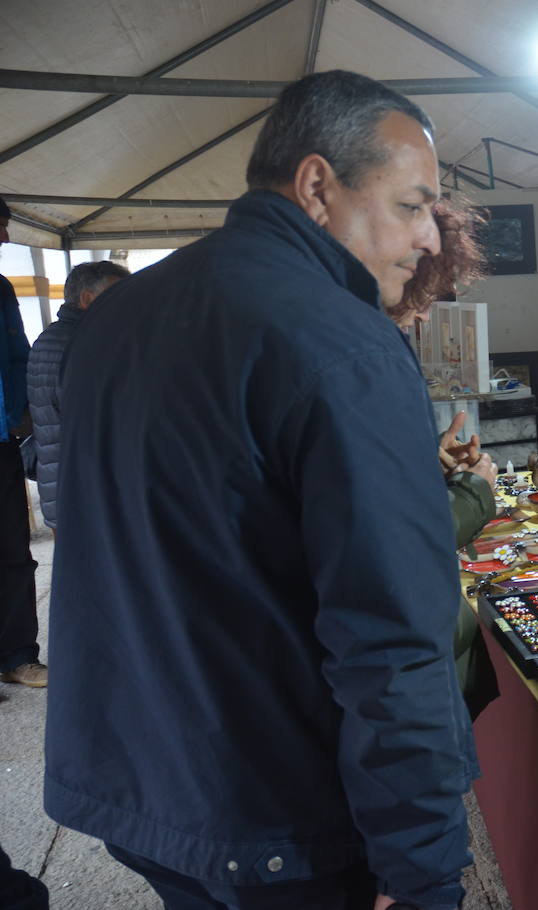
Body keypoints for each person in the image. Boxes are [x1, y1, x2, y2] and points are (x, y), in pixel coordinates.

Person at [46, 71, 480, 910]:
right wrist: (423, 868)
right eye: (412, 205)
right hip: (274, 817)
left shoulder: (121, 315)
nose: (431, 237)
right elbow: (391, 638)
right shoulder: (343, 344)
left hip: (141, 786)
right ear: (318, 186)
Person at [390, 198, 500, 719]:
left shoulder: (374, 344)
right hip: (407, 651)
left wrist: (429, 461)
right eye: (426, 290)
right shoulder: (368, 354)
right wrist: (475, 490)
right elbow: (396, 530)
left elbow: (383, 482)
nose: (427, 313)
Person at [25, 260, 129, 530]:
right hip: (85, 490)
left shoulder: (53, 337)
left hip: (65, 485)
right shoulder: (81, 343)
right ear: (87, 298)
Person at [0, 197, 42, 690]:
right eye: (1, 227)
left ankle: (18, 656)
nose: (7, 238)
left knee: (13, 551)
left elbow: (20, 358)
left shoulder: (2, 289)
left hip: (2, 440)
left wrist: (24, 421)